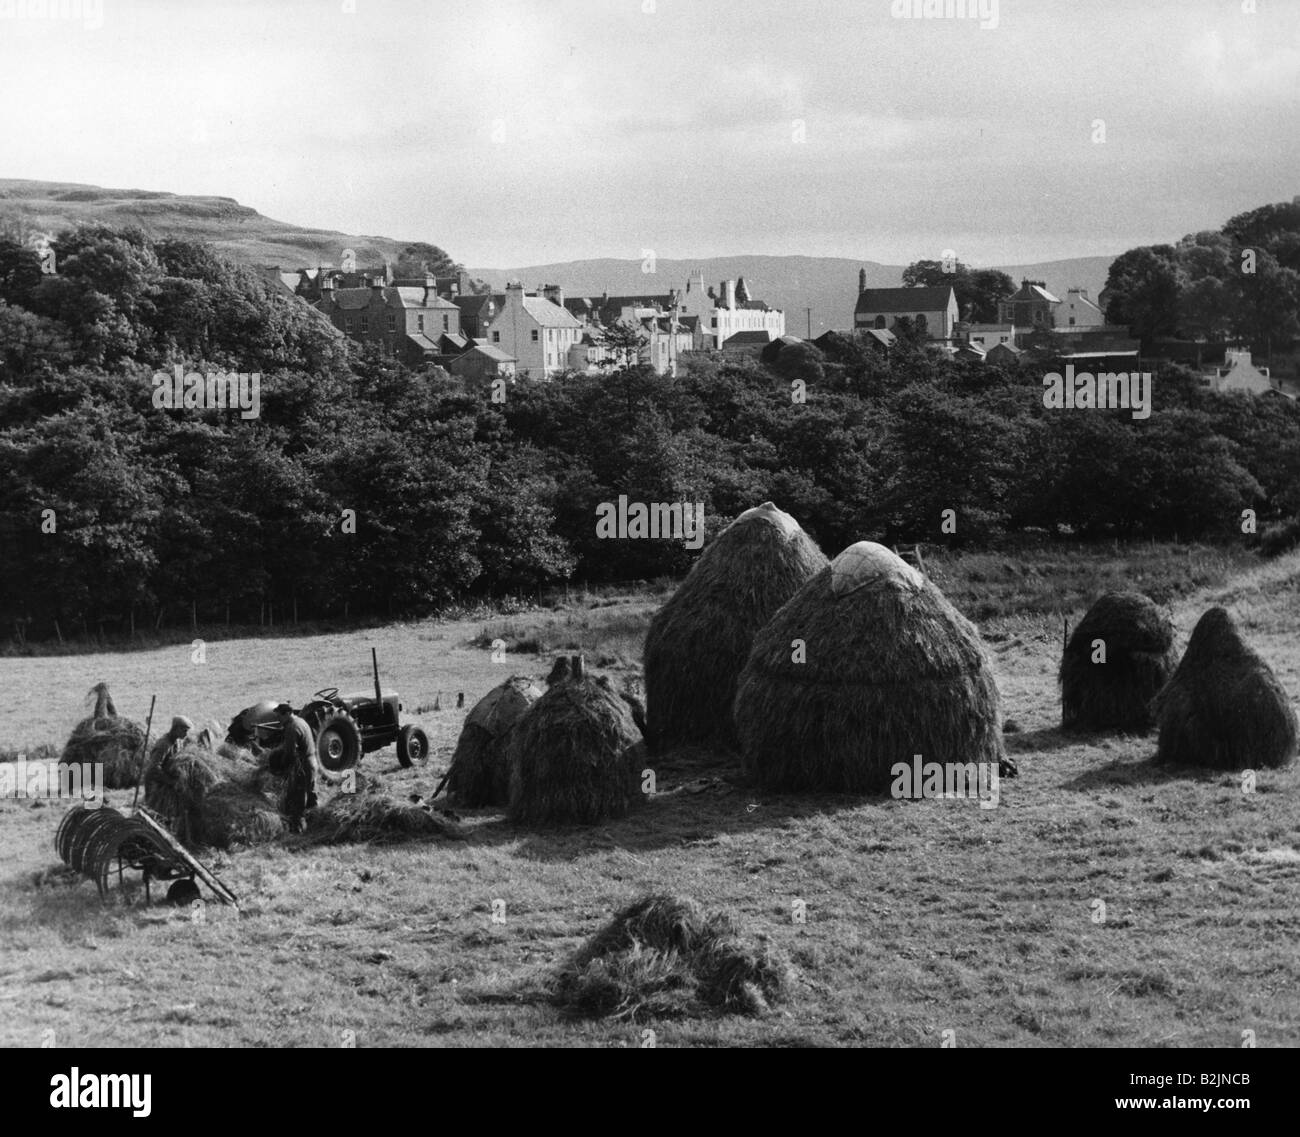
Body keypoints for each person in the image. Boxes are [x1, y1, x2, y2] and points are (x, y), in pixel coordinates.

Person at [265, 703, 320, 832]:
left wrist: (281, 767)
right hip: (312, 761)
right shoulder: (301, 721)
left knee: (298, 796)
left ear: (288, 714)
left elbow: (290, 752)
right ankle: (317, 823)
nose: (278, 720)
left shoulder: (292, 727)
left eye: (280, 716)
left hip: (302, 765)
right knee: (312, 793)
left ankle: (299, 829)